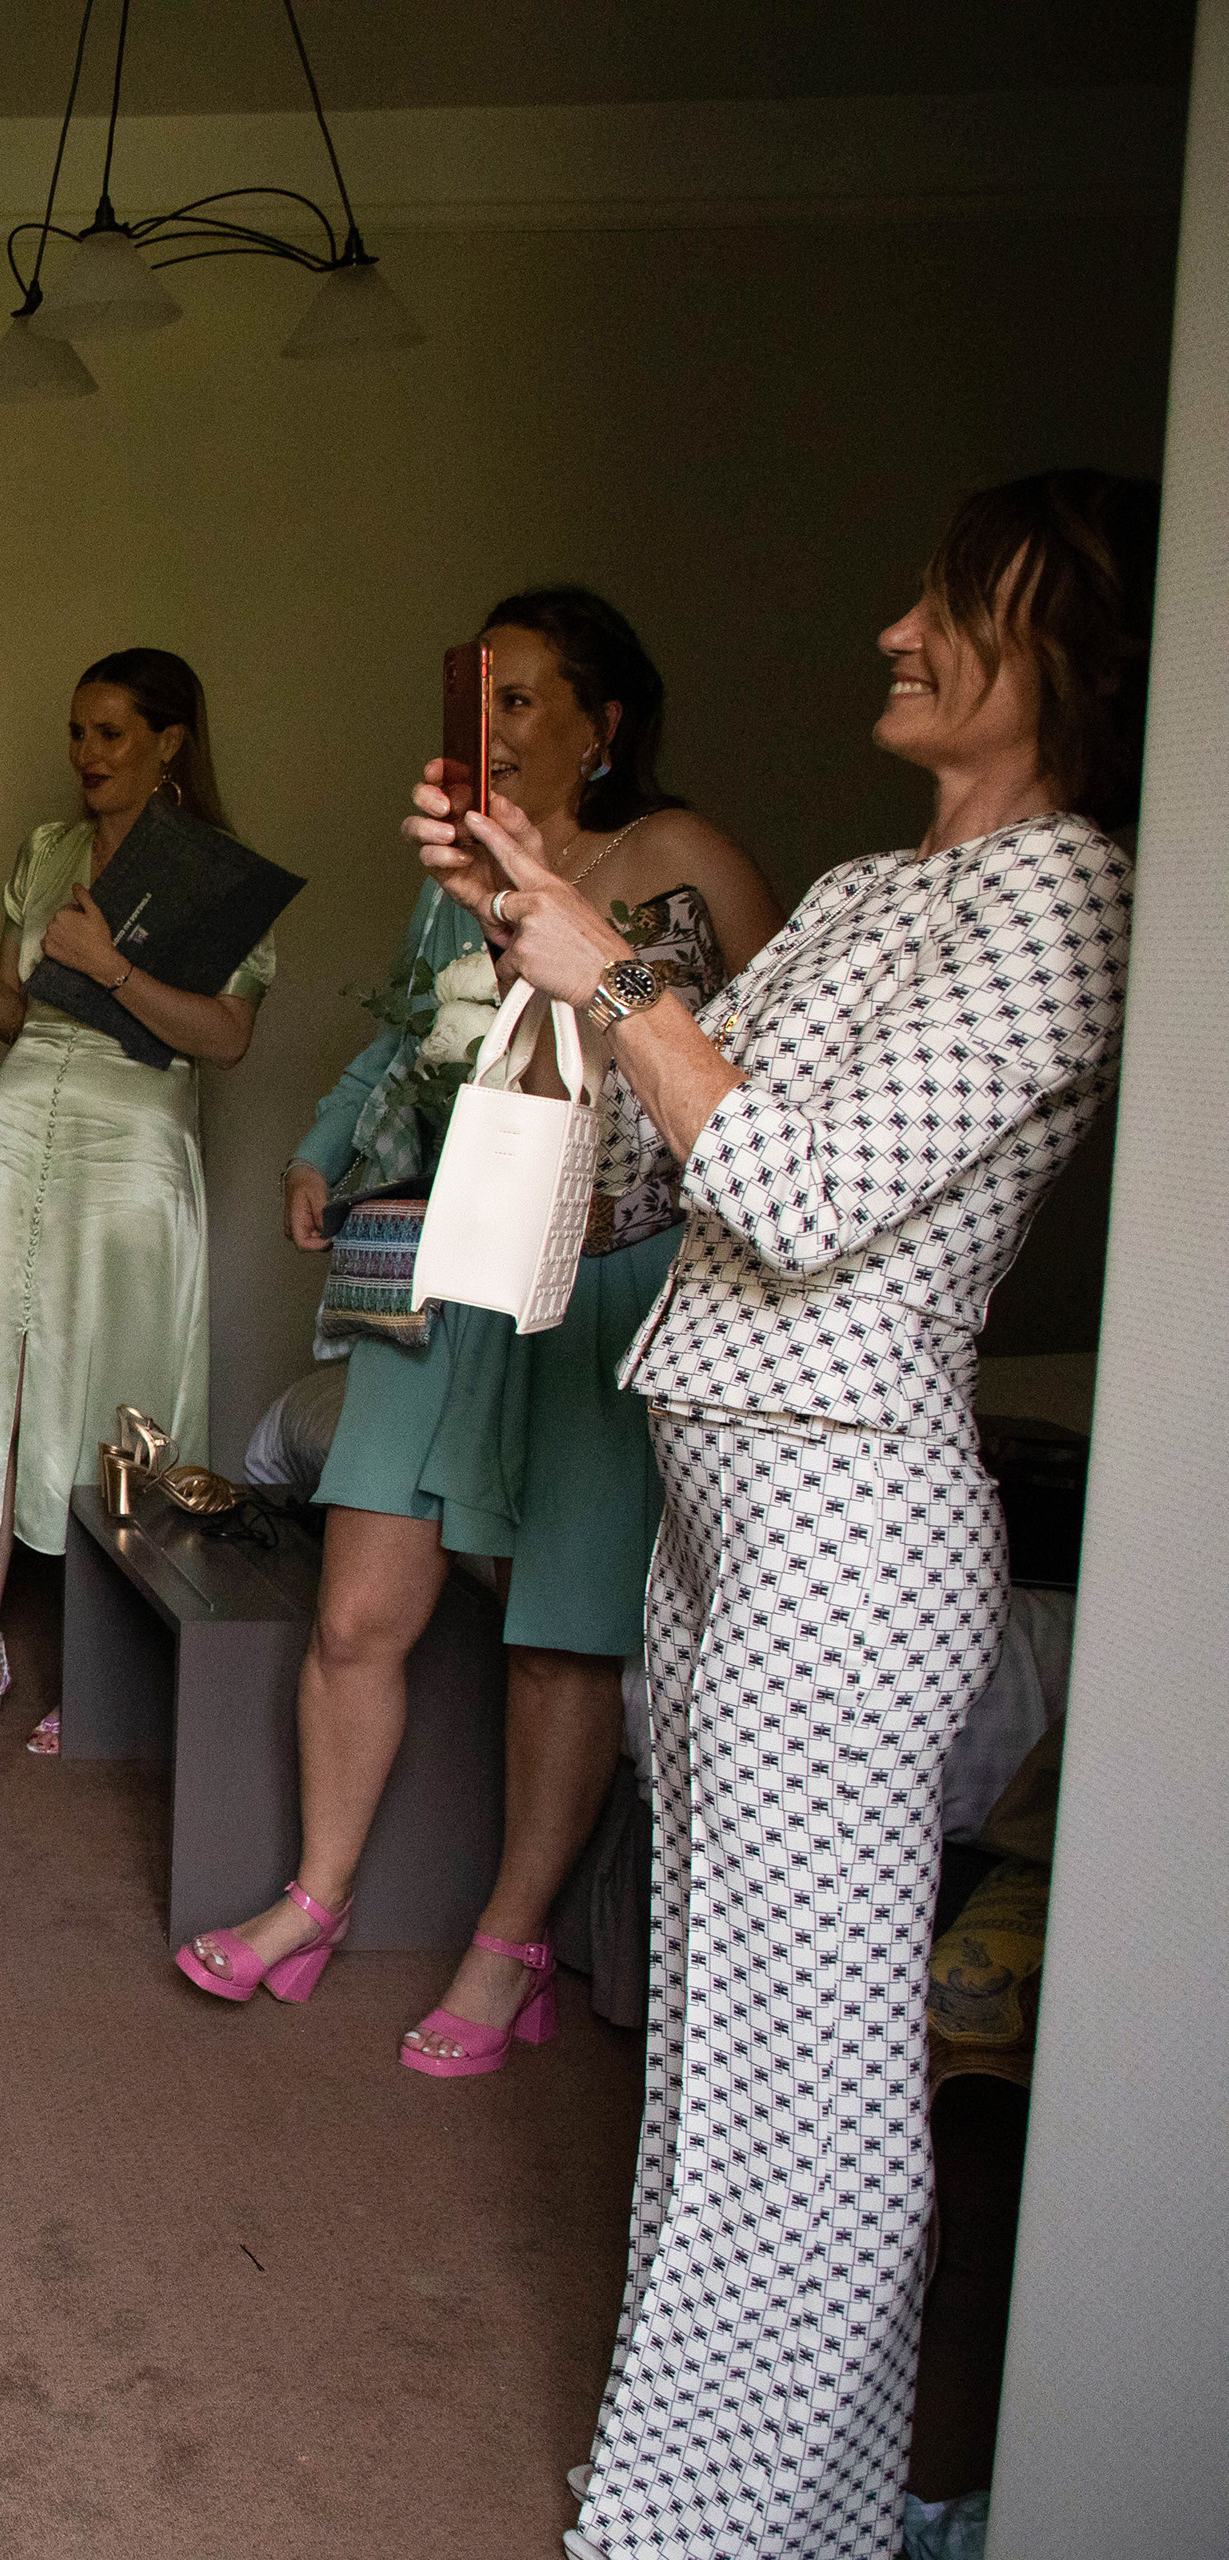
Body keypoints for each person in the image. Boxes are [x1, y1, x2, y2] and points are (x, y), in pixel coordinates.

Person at [420, 473, 1149, 2560]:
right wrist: (532, 920)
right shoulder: (856, 891)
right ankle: (717, 2495)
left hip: (849, 1508)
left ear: (1067, 657)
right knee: (716, 2039)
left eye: (950, 608)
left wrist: (609, 971)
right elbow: (672, 1145)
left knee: (813, 2075)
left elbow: (806, 1195)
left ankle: (739, 2526)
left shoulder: (1073, 898)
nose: (896, 634)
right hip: (716, 1490)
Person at [173, 591, 781, 2073]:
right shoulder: (457, 877)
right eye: (479, 696)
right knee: (356, 1609)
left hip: (607, 1279)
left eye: (522, 699)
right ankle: (316, 1897)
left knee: (561, 1635)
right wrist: (320, 1148)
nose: (491, 728)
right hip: (448, 1267)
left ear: (603, 724)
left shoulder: (683, 857)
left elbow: (773, 1062)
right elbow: (400, 1038)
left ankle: (511, 1949)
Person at [0, 648, 274, 1756]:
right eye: (76, 732)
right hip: (18, 1124)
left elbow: (227, 1038)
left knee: (118, 1393)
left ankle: (106, 1663)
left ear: (169, 742)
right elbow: (26, 1017)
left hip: (135, 1138)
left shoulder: (217, 871)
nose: (86, 754)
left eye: (111, 733)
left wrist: (111, 966)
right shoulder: (46, 851)